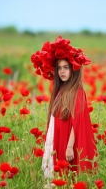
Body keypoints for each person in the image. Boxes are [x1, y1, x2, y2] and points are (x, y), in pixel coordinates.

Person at [31, 36, 97, 182]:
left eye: (66, 68)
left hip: (67, 137)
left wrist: (69, 146)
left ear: (73, 69)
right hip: (56, 134)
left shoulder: (77, 91)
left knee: (65, 174)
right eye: (59, 68)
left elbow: (77, 122)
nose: (62, 71)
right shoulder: (61, 89)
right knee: (55, 173)